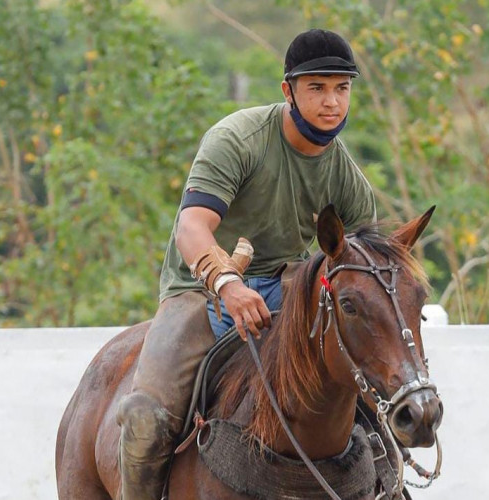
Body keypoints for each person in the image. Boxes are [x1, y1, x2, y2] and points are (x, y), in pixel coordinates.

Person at [117, 28, 377, 500]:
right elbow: (192, 227)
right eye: (316, 87)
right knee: (145, 420)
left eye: (342, 88)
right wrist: (227, 284)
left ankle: (391, 485)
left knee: (376, 400)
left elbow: (363, 272)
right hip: (198, 290)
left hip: (290, 287)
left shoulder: (348, 179)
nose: (332, 102)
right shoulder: (237, 138)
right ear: (288, 91)